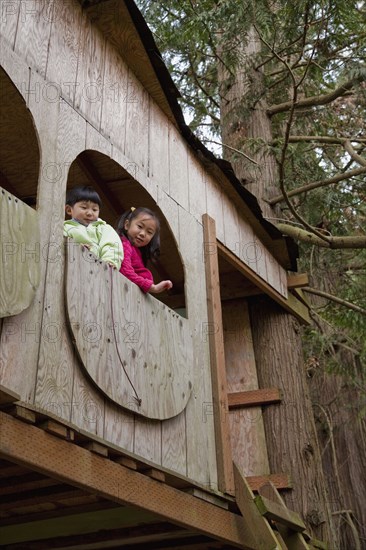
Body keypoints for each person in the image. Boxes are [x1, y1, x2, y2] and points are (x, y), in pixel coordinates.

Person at [64, 185, 123, 270]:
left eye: (94, 209)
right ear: (69, 210)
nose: (90, 213)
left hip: (100, 272)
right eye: (84, 207)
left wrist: (110, 262)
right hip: (72, 269)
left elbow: (112, 245)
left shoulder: (104, 228)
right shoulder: (64, 227)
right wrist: (76, 248)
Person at [117, 207, 173, 294]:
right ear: (127, 225)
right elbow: (125, 271)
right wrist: (152, 287)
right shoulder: (125, 244)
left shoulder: (137, 252)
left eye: (149, 232)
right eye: (140, 226)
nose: (143, 234)